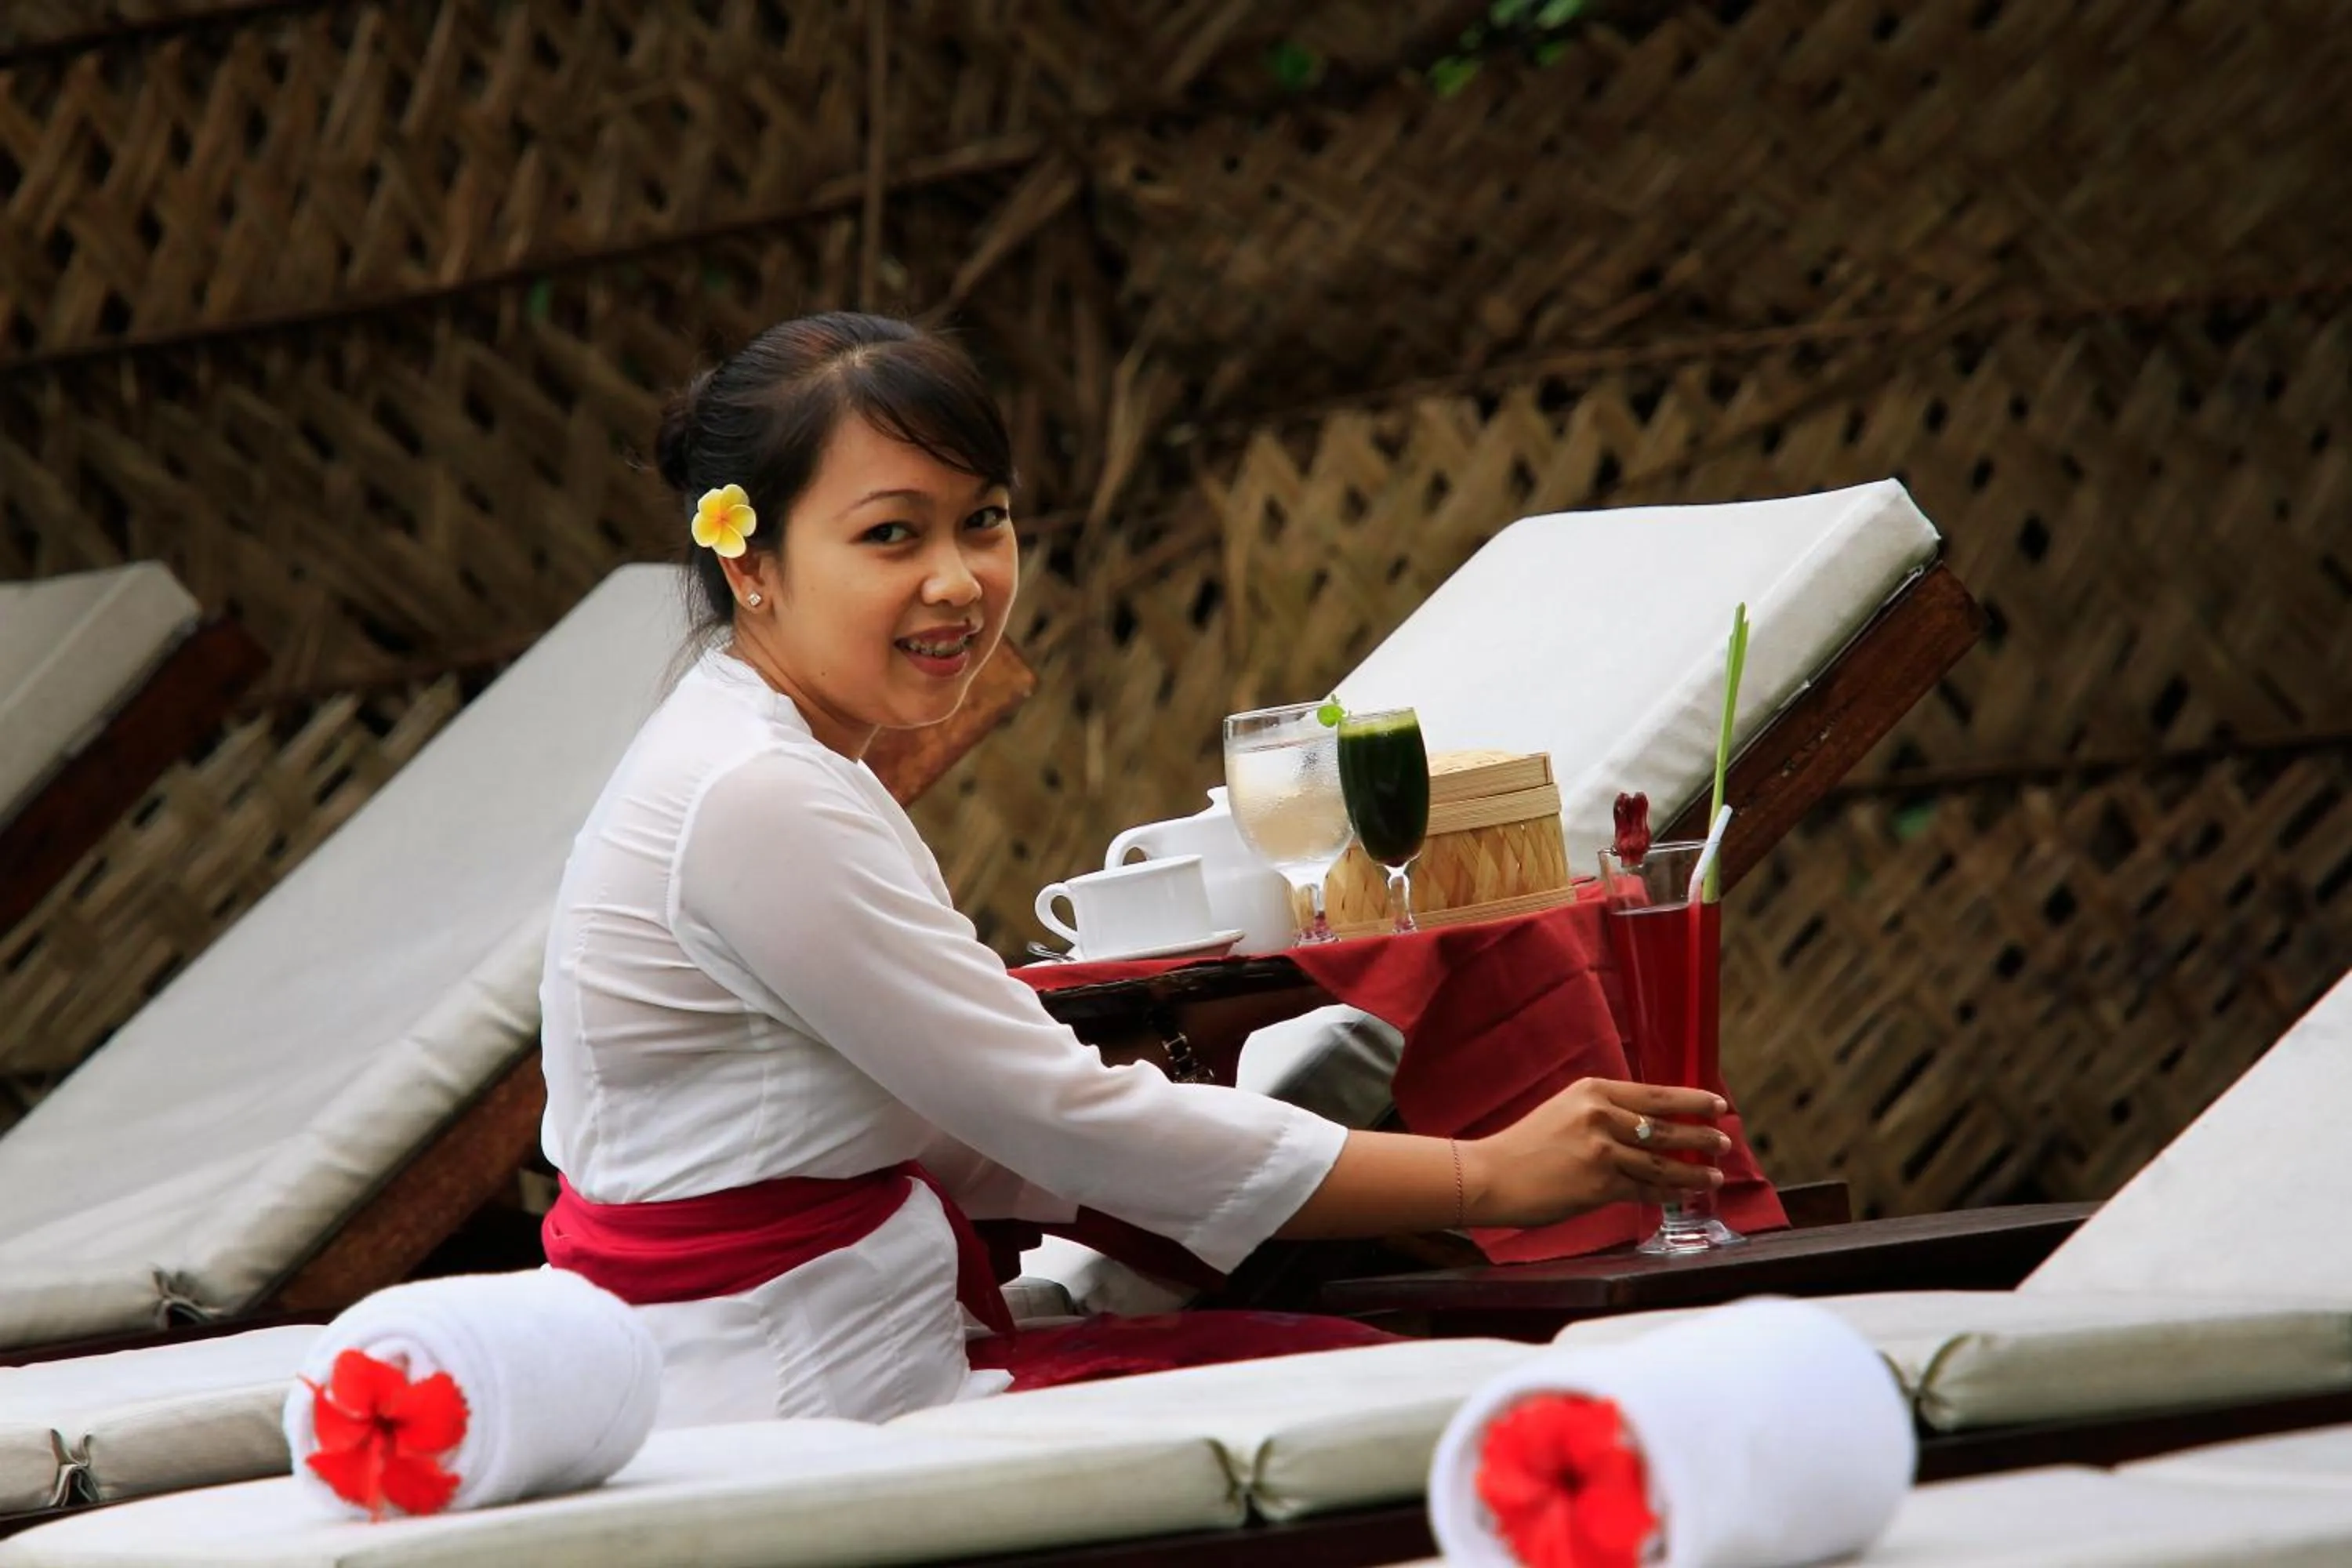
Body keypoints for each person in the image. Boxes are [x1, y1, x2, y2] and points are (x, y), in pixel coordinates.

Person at [535, 312, 1727, 1427]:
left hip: (790, 1346)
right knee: (1458, 1410)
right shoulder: (757, 794)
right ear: (752, 564)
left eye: (983, 519)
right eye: (891, 533)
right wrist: (1488, 1176)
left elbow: (994, 1116)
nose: (957, 579)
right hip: (791, 1391)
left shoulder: (766, 760)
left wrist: (1191, 1153)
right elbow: (1050, 1115)